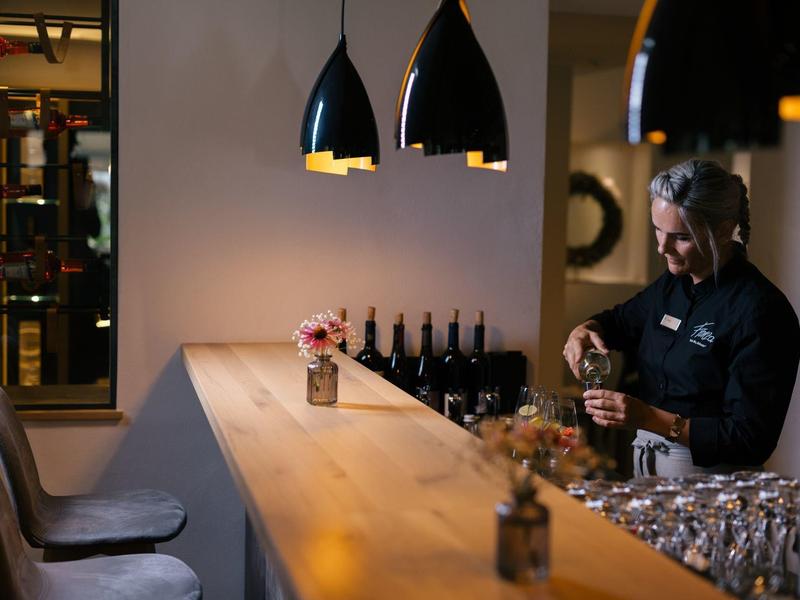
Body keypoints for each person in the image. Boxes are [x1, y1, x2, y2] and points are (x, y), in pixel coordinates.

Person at [563, 159, 800, 478]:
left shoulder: (761, 310)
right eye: (657, 230)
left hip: (710, 485)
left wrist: (647, 417)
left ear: (722, 229)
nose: (662, 248)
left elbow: (750, 440)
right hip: (646, 470)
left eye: (681, 237)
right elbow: (618, 322)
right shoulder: (672, 285)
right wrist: (584, 329)